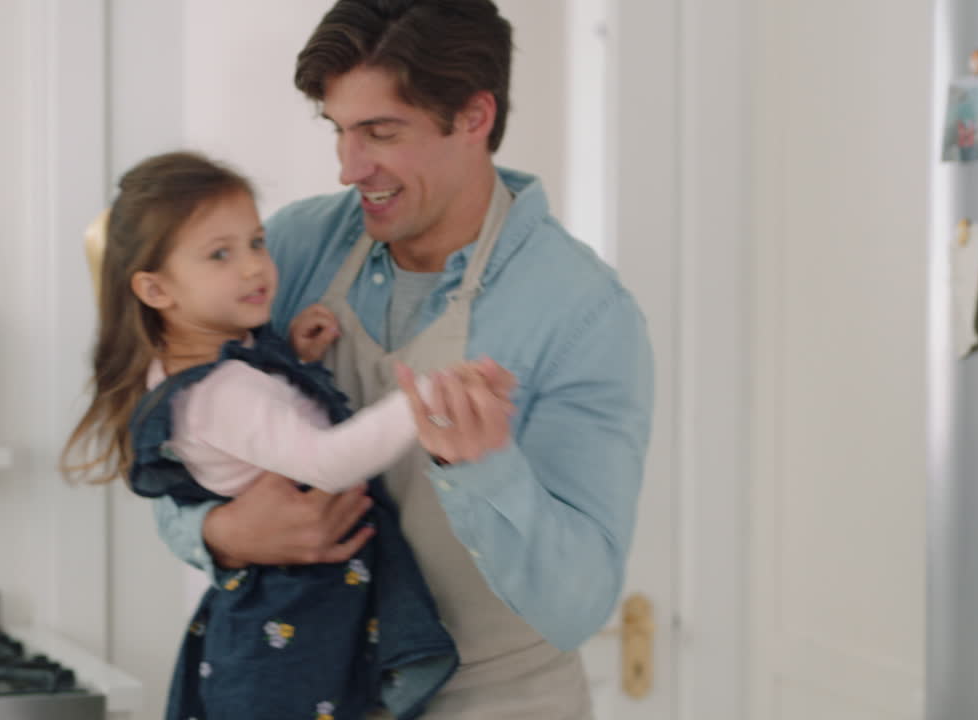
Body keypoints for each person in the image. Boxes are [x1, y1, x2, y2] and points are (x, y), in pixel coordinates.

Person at [154, 1, 655, 717]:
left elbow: (577, 606)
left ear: (475, 117)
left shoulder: (585, 315)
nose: (348, 168)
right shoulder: (290, 252)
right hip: (306, 686)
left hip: (495, 701)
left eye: (380, 133)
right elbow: (175, 433)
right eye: (338, 130)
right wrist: (219, 533)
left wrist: (485, 471)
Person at [61, 151, 516, 719]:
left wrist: (290, 356)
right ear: (156, 290)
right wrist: (423, 402)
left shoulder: (186, 368)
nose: (253, 267)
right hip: (296, 620)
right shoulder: (222, 394)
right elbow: (327, 462)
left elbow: (251, 424)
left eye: (255, 242)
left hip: (271, 608)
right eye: (220, 254)